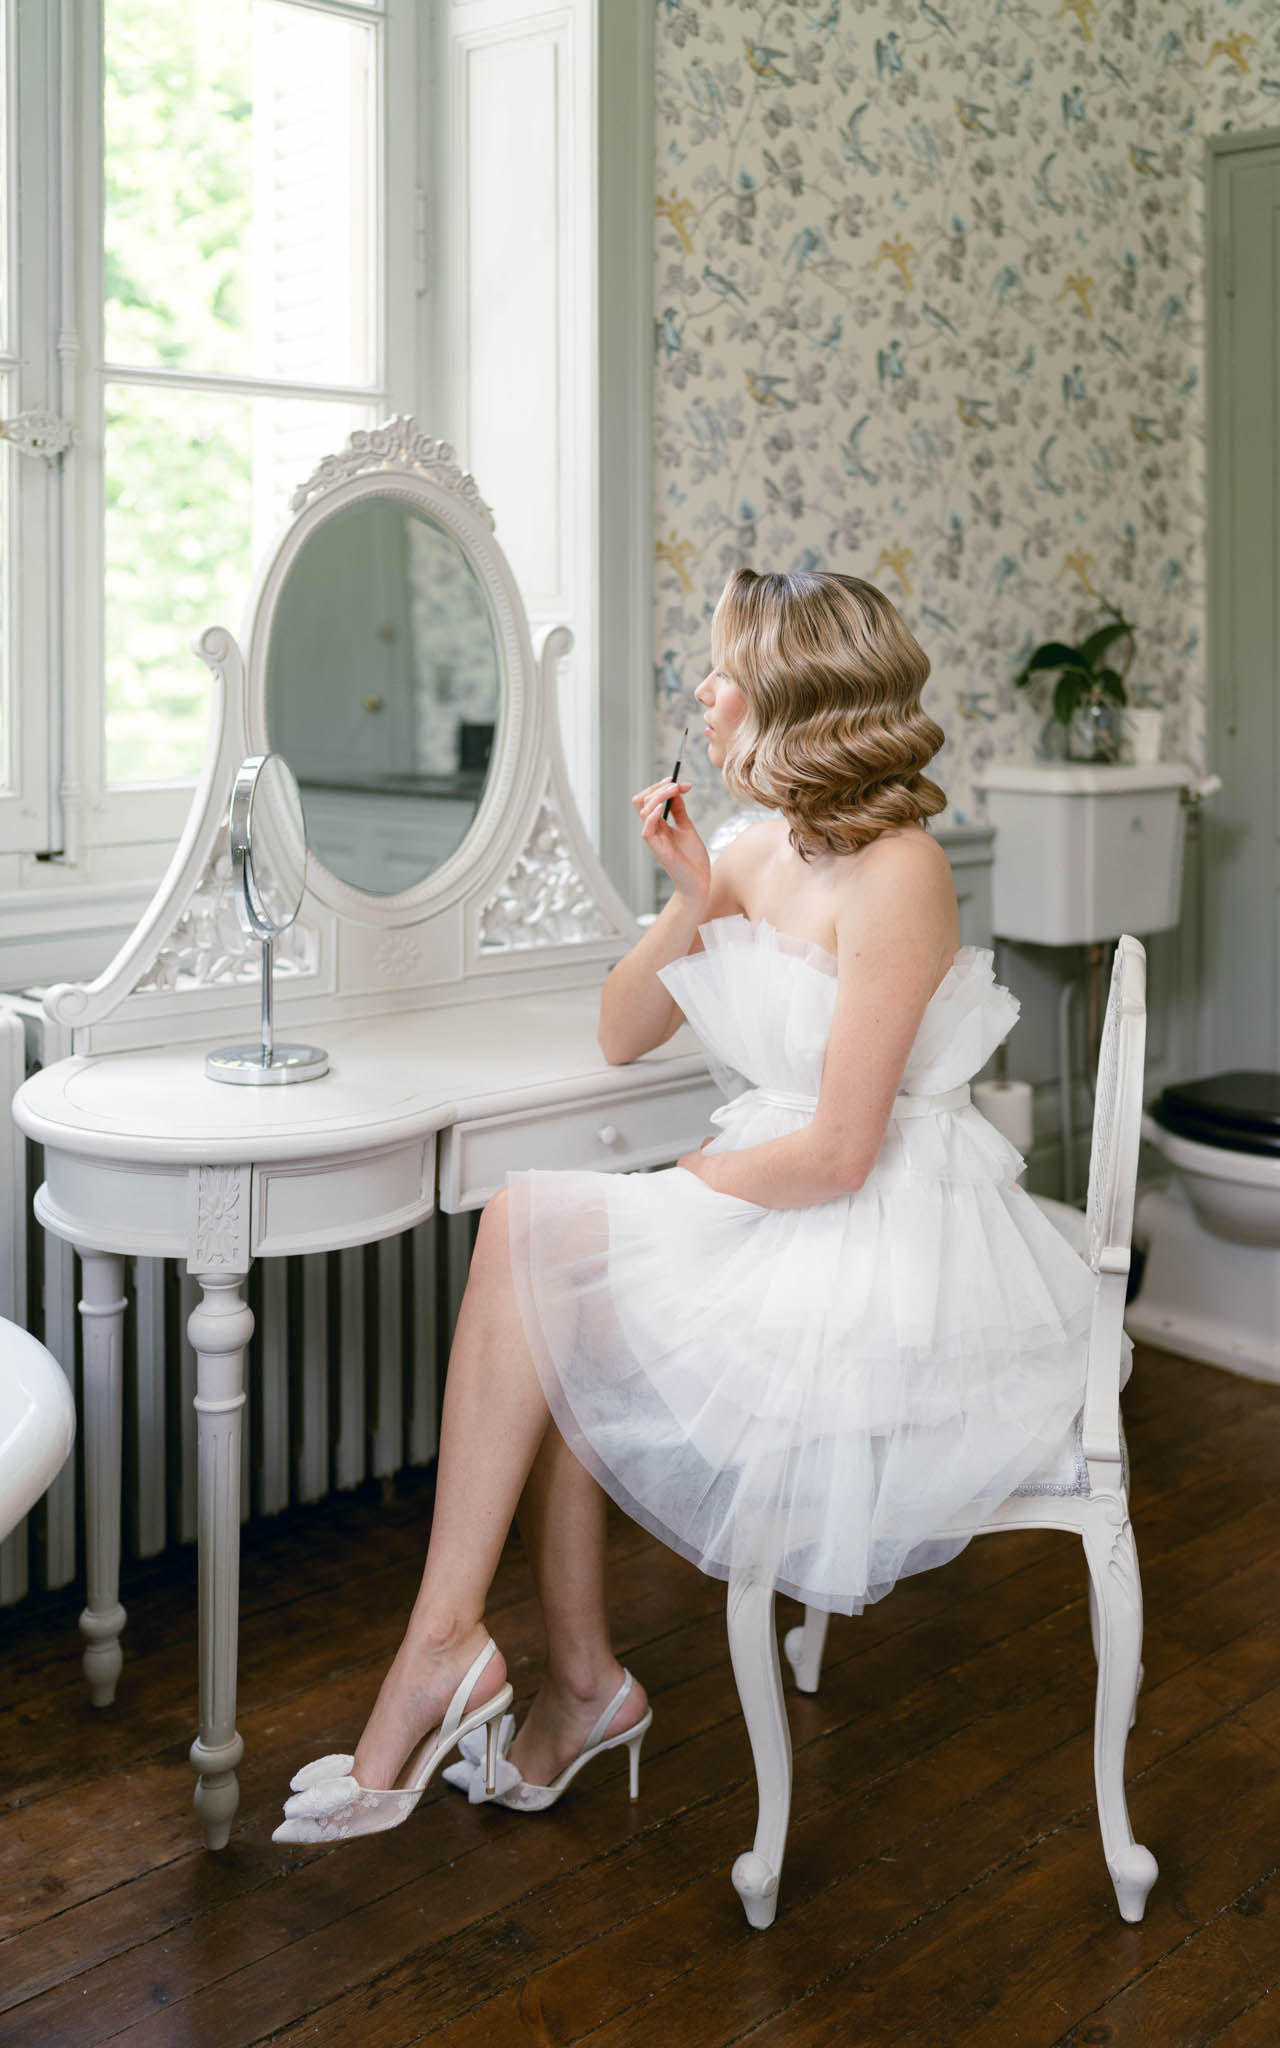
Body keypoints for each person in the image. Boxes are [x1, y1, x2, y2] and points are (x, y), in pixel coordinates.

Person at [273, 568, 1098, 1844]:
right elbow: (620, 1031)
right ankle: (566, 1681)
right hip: (780, 1199)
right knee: (548, 1281)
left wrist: (684, 1189)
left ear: (793, 698)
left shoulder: (902, 871)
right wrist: (690, 893)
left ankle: (464, 1653)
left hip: (878, 1239)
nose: (702, 692)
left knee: (529, 1237)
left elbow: (840, 1151)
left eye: (724, 673)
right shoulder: (760, 847)